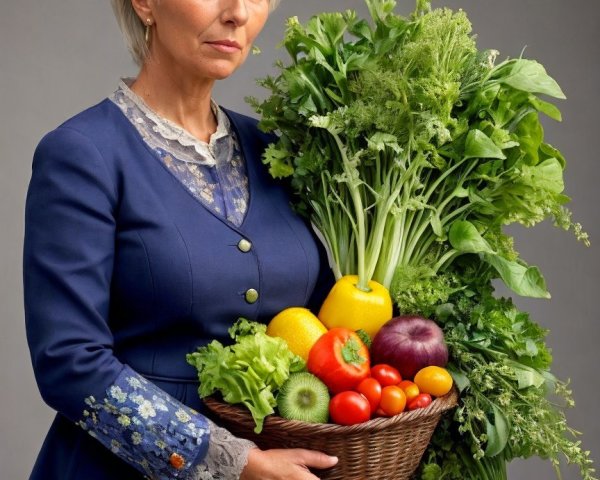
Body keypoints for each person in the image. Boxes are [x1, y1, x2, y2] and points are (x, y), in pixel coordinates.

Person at [22, 0, 337, 478]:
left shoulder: (275, 151)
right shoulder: (82, 154)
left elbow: (325, 327)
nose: (237, 13)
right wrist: (236, 464)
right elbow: (68, 363)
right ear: (145, 3)